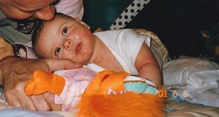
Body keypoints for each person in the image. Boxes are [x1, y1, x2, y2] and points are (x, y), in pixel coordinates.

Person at [31, 13, 163, 87]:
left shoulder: (125, 39)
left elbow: (148, 65)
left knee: (144, 51)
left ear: (82, 23)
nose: (67, 43)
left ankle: (100, 33)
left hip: (151, 46)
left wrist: (147, 98)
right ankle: (97, 34)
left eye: (65, 31)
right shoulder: (83, 74)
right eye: (57, 50)